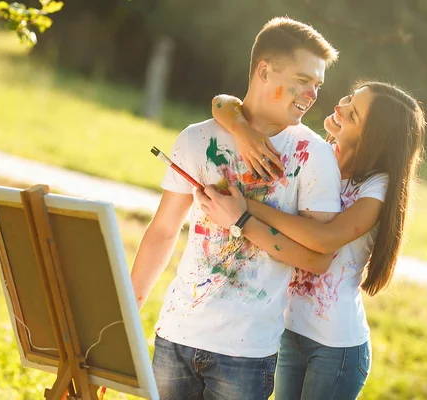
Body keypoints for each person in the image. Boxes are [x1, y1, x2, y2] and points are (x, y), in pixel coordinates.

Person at [130, 17, 342, 399]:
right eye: (303, 79)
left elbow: (318, 258)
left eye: (318, 85)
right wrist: (127, 314)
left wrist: (242, 219)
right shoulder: (196, 138)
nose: (313, 93)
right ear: (264, 70)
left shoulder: (315, 155)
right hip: (174, 337)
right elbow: (162, 232)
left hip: (245, 353)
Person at [197, 80, 426, 399]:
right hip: (288, 332)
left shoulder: (377, 187)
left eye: (354, 113)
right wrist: (242, 130)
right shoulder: (313, 155)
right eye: (348, 97)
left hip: (336, 350)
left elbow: (325, 239)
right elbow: (221, 102)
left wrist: (247, 210)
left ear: (373, 137)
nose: (340, 106)